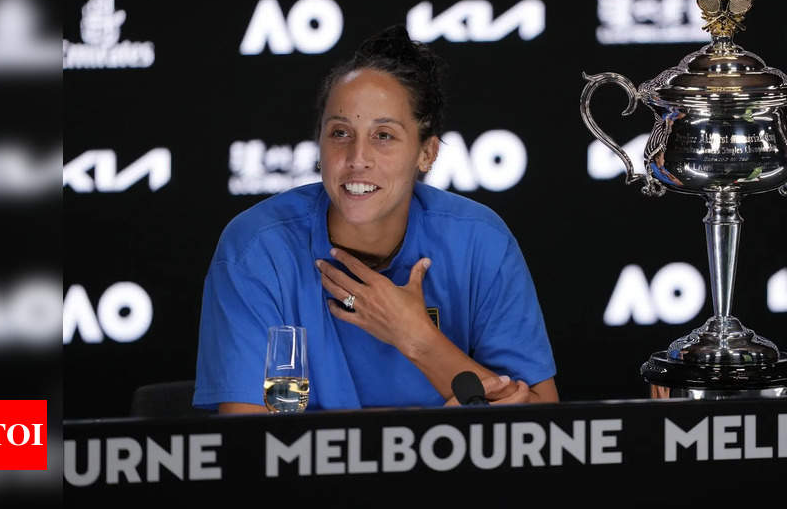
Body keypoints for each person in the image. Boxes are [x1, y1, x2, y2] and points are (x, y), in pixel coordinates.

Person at [192, 25, 558, 413]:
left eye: (383, 135)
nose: (357, 158)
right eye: (340, 133)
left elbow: (539, 425)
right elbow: (249, 447)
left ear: (427, 153)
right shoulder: (256, 249)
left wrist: (416, 337)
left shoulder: (481, 242)